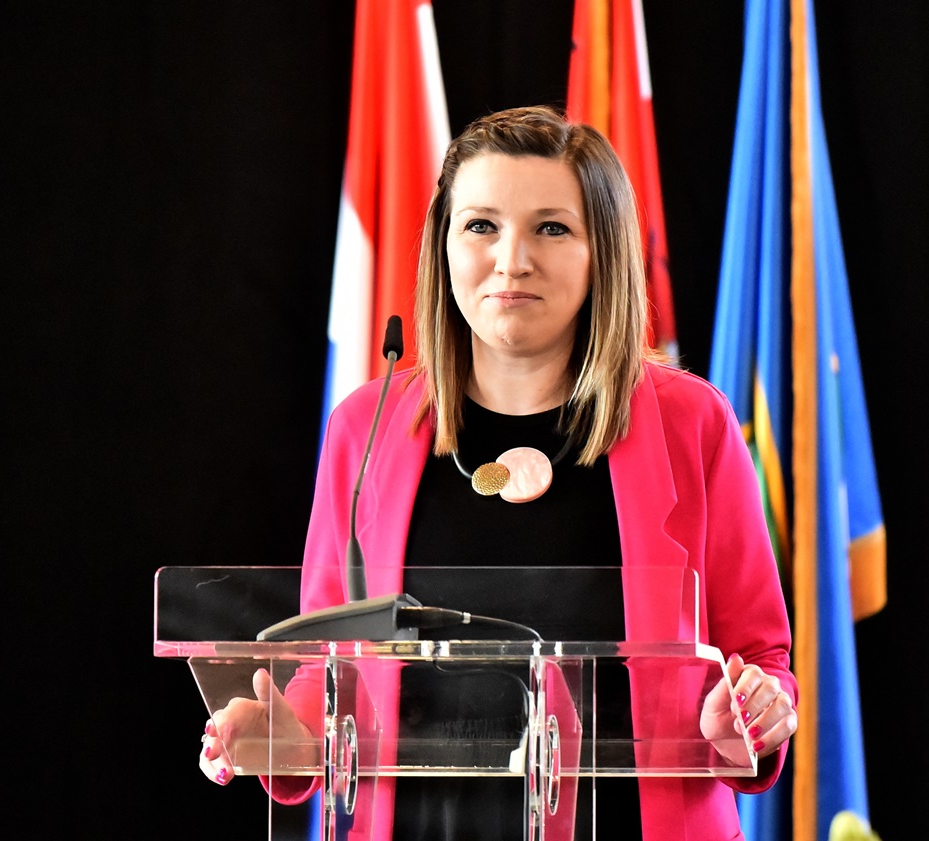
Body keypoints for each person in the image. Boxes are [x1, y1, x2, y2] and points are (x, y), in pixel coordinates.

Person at [198, 105, 797, 840]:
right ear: (444, 245)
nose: (512, 259)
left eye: (552, 228)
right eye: (481, 225)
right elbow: (325, 667)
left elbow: (758, 658)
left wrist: (749, 715)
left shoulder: (691, 422)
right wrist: (286, 740)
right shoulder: (365, 428)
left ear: (603, 251)